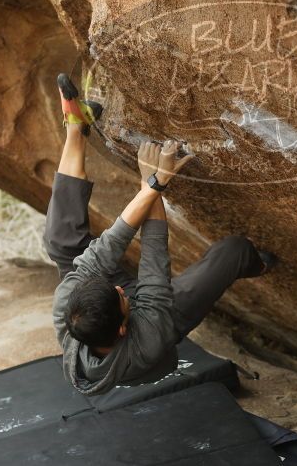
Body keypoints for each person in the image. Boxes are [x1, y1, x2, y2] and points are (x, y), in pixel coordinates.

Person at [44, 74, 277, 395]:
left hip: (113, 311)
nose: (120, 287)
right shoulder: (148, 340)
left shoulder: (68, 309)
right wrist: (154, 183)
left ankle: (75, 126)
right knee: (233, 251)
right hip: (163, 318)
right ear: (124, 326)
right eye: (120, 295)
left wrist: (151, 185)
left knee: (60, 244)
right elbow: (154, 258)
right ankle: (258, 265)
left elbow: (106, 250)